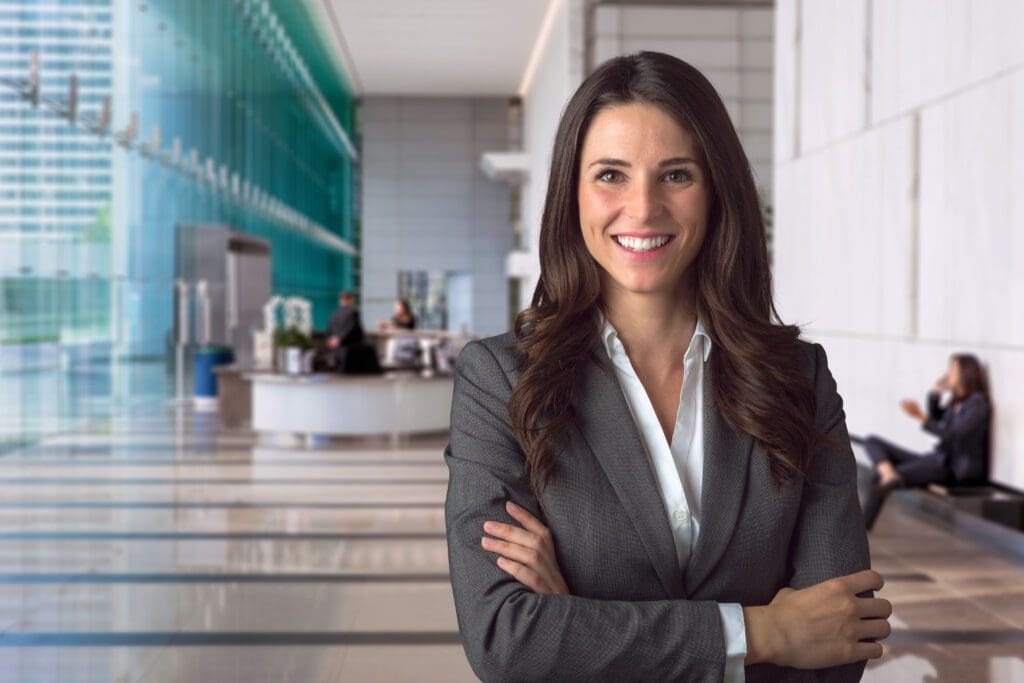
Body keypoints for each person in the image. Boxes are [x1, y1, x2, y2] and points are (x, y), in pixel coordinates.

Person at [444, 51, 891, 682]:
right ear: (572, 194)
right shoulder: (501, 381)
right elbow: (507, 639)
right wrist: (763, 632)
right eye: (610, 175)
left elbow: (840, 640)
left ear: (716, 190)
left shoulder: (799, 378)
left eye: (676, 175)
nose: (643, 208)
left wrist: (581, 621)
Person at [861, 353, 991, 531]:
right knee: (871, 441)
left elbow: (953, 433)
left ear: (966, 373)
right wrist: (935, 394)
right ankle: (888, 472)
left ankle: (861, 527)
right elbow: (938, 418)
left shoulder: (978, 405)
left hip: (951, 468)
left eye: (952, 369)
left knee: (878, 478)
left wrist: (920, 416)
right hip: (936, 459)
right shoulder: (957, 402)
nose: (948, 375)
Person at [326, 291, 368, 372]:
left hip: (336, 351)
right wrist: (340, 339)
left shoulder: (334, 315)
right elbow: (352, 329)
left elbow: (329, 331)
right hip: (351, 351)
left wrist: (332, 340)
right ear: (350, 300)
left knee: (339, 374)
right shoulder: (353, 313)